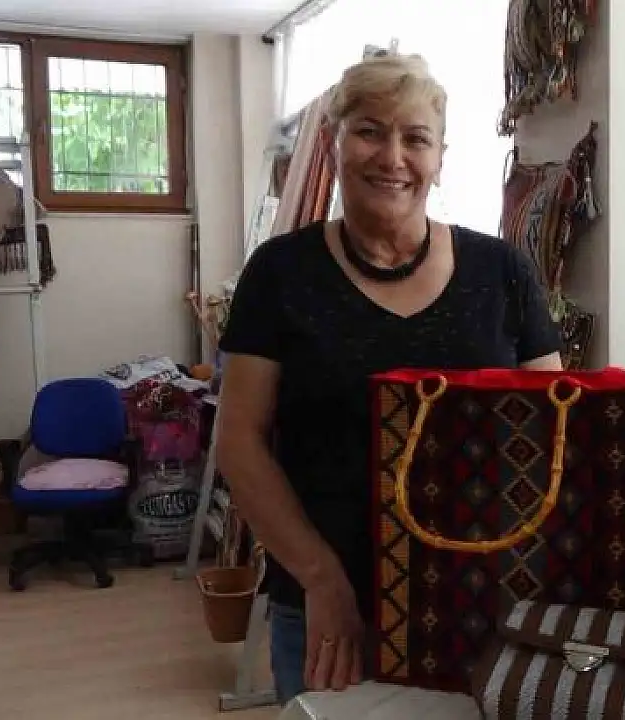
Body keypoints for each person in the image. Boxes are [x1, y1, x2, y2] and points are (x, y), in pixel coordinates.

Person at [215, 52, 562, 705]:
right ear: (333, 141)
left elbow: (553, 435)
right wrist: (321, 578)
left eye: (416, 138)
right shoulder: (280, 274)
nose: (393, 157)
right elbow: (239, 442)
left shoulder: (503, 273)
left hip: (483, 606)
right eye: (370, 131)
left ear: (440, 157)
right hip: (325, 607)